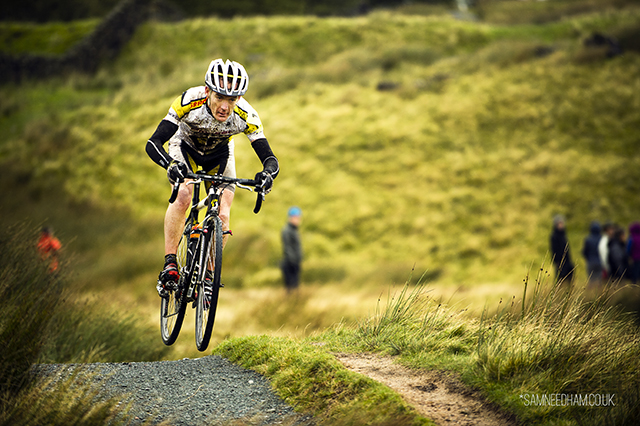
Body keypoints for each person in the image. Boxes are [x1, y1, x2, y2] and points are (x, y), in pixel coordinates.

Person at [145, 59, 279, 297]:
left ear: (239, 98)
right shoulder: (189, 101)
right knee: (184, 195)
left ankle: (207, 277)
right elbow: (153, 143)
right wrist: (170, 165)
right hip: (185, 146)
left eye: (232, 99)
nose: (225, 106)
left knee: (223, 213)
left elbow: (270, 158)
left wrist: (267, 174)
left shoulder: (246, 114)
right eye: (219, 97)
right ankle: (170, 264)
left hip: (220, 155)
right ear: (207, 91)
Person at [281, 206, 303, 293]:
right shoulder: (287, 231)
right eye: (295, 218)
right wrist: (293, 261)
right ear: (290, 218)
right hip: (290, 263)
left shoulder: (294, 230)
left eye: (298, 218)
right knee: (291, 288)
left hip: (295, 262)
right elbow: (288, 247)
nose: (297, 220)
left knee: (295, 287)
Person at [550, 215, 574, 285]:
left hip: (567, 260)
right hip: (559, 261)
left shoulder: (563, 235)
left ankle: (568, 290)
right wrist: (556, 261)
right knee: (559, 279)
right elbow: (554, 249)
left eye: (562, 223)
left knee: (570, 277)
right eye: (559, 224)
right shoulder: (554, 236)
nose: (561, 225)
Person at [582, 221, 603, 287]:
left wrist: (588, 258)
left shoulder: (588, 239)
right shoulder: (602, 239)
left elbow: (585, 252)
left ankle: (591, 292)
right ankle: (599, 292)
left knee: (591, 279)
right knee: (599, 280)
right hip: (600, 262)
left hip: (591, 262)